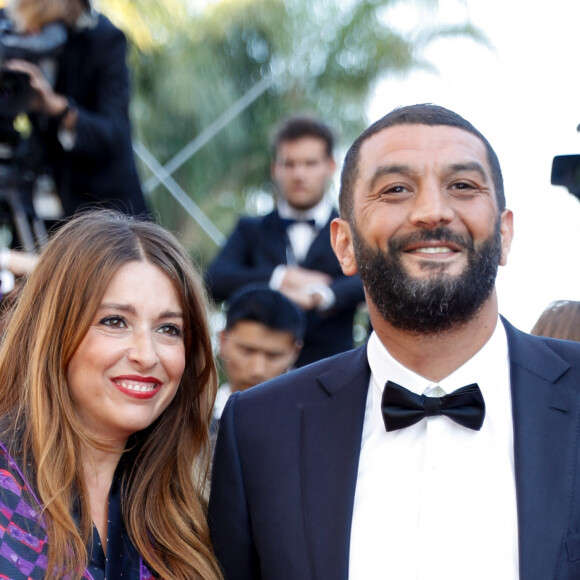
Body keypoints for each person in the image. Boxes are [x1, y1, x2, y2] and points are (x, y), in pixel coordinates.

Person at [209, 104, 580, 579]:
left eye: (462, 186)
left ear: (505, 233)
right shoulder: (260, 430)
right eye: (396, 189)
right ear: (344, 245)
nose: (432, 212)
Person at [0, 210, 222, 579]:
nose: (146, 354)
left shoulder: (191, 510)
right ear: (54, 330)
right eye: (115, 321)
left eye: (169, 329)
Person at [205, 115, 365, 367]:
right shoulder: (250, 229)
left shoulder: (353, 230)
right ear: (275, 168)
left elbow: (372, 279)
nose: (299, 174)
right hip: (258, 378)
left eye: (310, 163)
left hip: (330, 374)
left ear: (331, 166)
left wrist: (323, 294)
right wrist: (280, 278)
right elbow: (214, 280)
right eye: (289, 164)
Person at [4, 0, 147, 219]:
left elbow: (114, 132)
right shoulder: (12, 31)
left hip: (105, 212)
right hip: (37, 198)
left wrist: (58, 108)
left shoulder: (103, 39)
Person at [213, 284, 305, 426]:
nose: (258, 370)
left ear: (295, 352)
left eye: (273, 356)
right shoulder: (188, 421)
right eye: (247, 351)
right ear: (223, 341)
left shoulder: (315, 423)